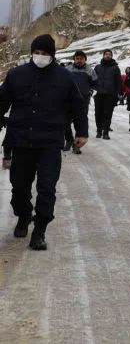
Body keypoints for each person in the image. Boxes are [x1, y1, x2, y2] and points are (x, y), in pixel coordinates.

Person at [0, 34, 88, 250]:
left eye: (45, 54)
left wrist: (82, 132)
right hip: (21, 140)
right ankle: (23, 215)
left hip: (50, 142)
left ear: (52, 56)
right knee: (19, 188)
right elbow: (1, 102)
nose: (40, 57)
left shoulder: (64, 78)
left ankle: (39, 231)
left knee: (47, 188)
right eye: (37, 53)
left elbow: (78, 106)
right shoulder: (16, 75)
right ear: (32, 53)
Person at [64, 50, 97, 154]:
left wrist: (90, 93)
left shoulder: (90, 70)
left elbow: (95, 84)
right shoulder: (67, 69)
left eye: (81, 59)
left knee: (80, 124)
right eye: (77, 58)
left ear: (85, 59)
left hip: (83, 102)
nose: (79, 60)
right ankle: (69, 140)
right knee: (65, 123)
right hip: (68, 101)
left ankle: (77, 145)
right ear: (74, 59)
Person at [93, 49, 122, 140]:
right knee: (98, 113)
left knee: (108, 114)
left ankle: (105, 132)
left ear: (112, 56)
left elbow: (118, 82)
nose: (108, 56)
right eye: (106, 54)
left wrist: (118, 93)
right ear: (103, 55)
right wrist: (93, 90)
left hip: (110, 94)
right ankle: (99, 130)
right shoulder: (97, 67)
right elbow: (93, 80)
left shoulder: (115, 68)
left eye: (109, 54)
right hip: (99, 94)